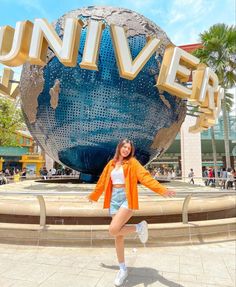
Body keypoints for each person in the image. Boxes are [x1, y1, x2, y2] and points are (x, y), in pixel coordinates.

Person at [87, 139, 175, 286]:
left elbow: (145, 178)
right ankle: (122, 269)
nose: (126, 150)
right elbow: (102, 181)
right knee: (118, 235)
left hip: (127, 198)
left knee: (113, 229)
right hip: (114, 199)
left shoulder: (133, 163)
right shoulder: (111, 164)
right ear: (119, 148)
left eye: (129, 148)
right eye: (124, 147)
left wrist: (162, 190)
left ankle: (139, 227)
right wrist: (94, 195)